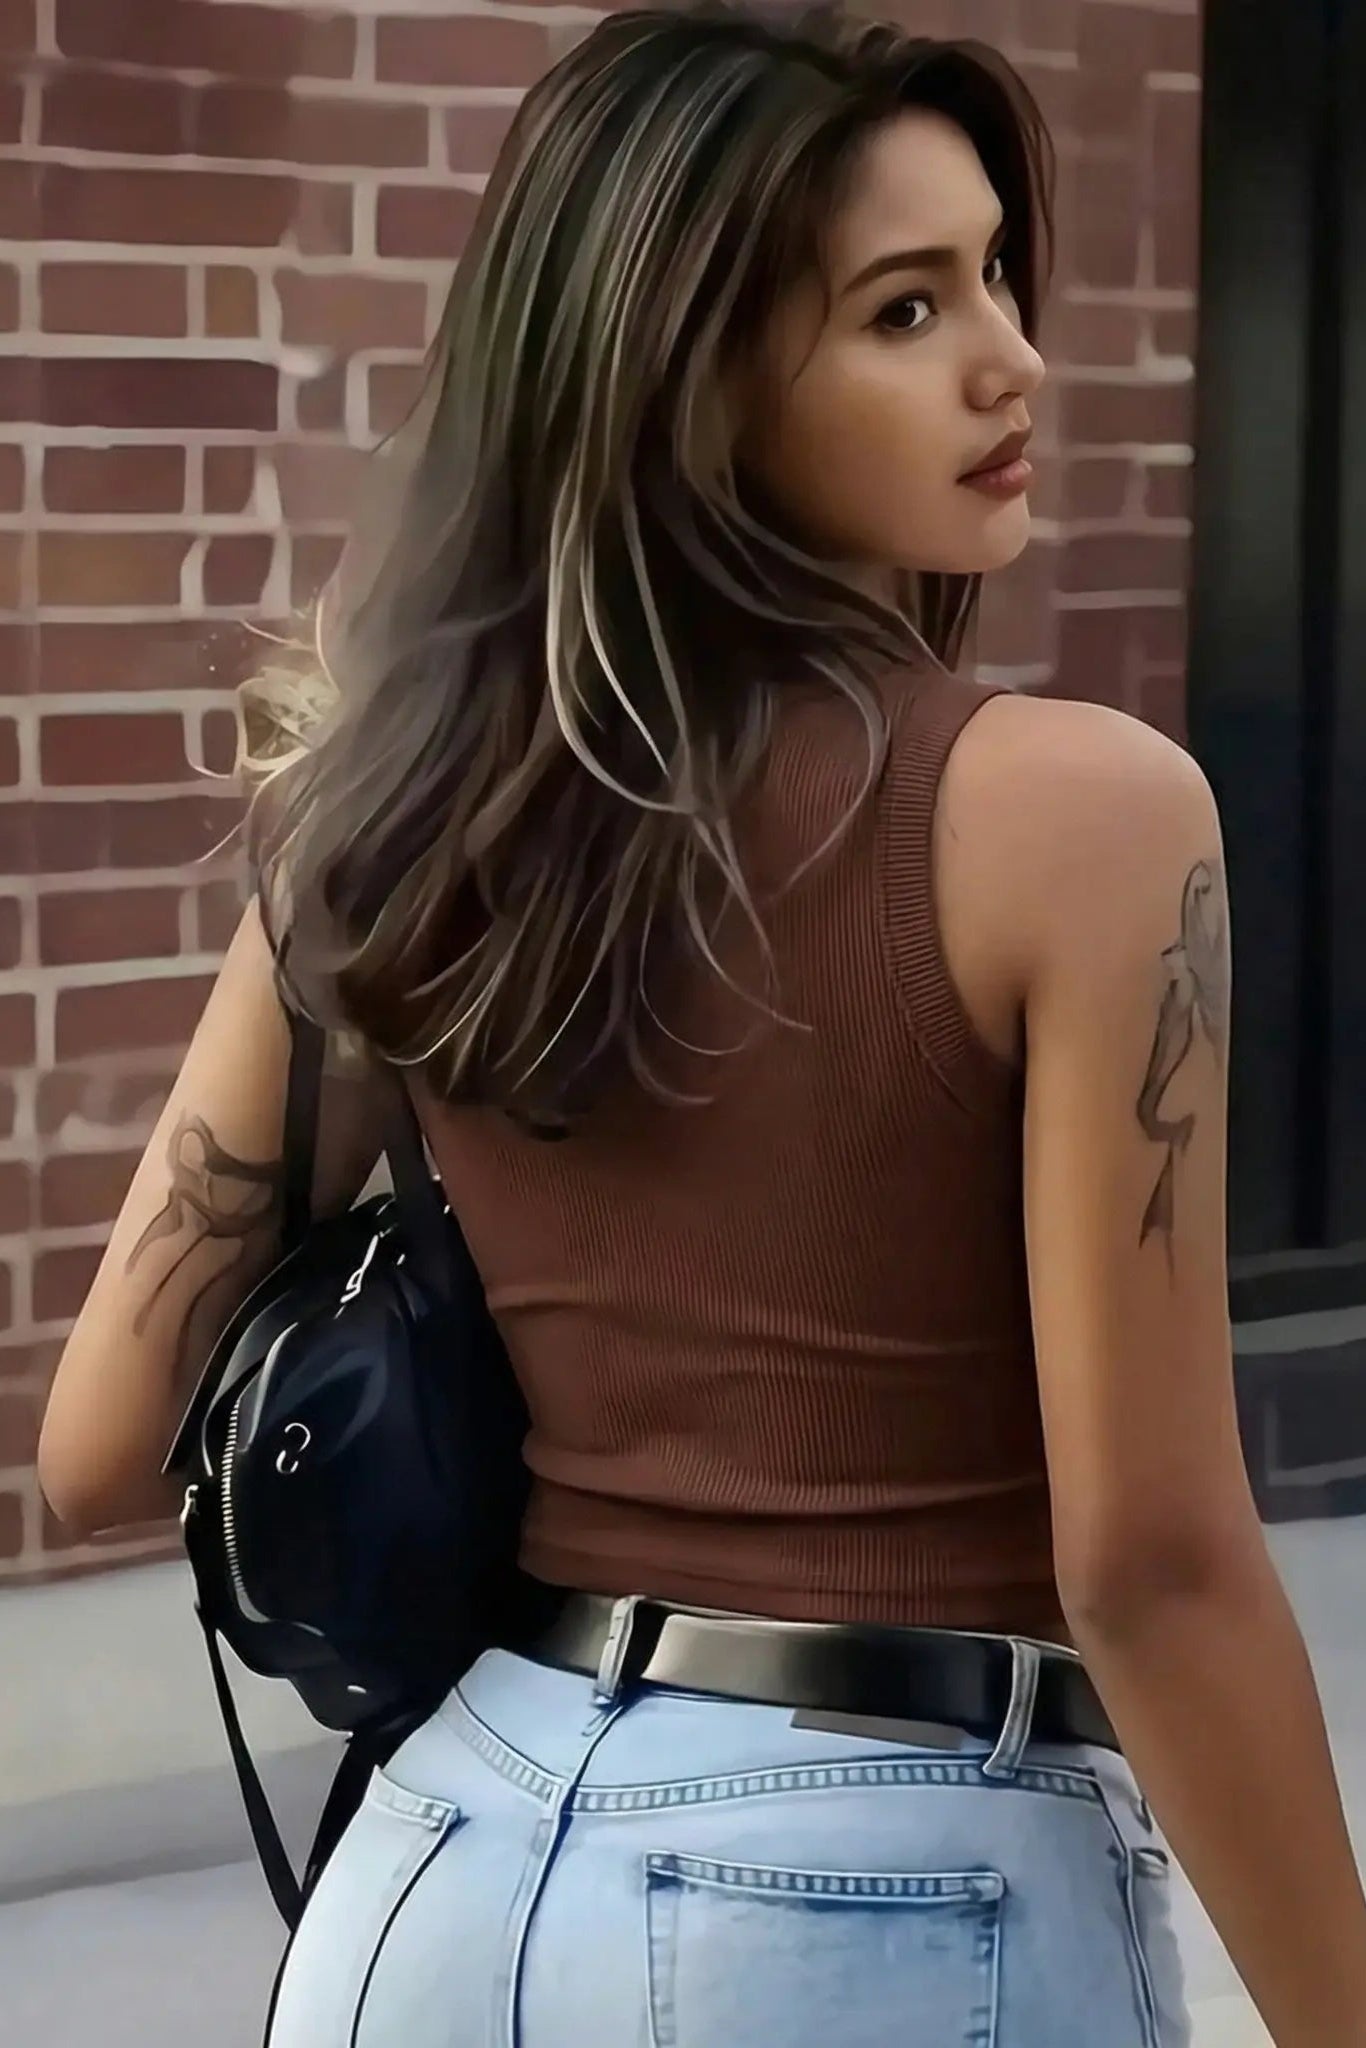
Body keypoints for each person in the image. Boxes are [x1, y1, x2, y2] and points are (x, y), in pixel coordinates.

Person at [36, 6, 1366, 2043]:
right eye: (901, 308)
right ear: (695, 384)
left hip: (433, 1889)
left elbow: (94, 1449)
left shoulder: (380, 818)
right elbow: (1152, 1565)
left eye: (996, 272)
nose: (1009, 356)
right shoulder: (1083, 816)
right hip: (865, 1900)